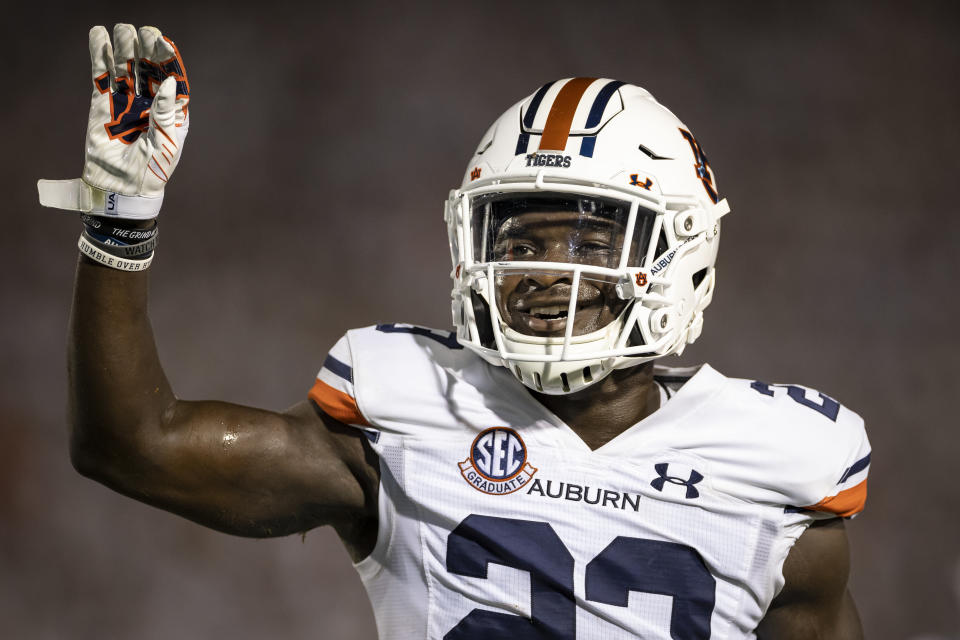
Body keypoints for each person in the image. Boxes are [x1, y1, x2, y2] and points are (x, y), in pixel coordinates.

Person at [39, 24, 871, 639]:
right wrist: (121, 218)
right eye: (518, 240)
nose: (543, 270)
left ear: (680, 252)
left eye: (586, 240)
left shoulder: (775, 475)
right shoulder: (406, 414)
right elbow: (129, 442)